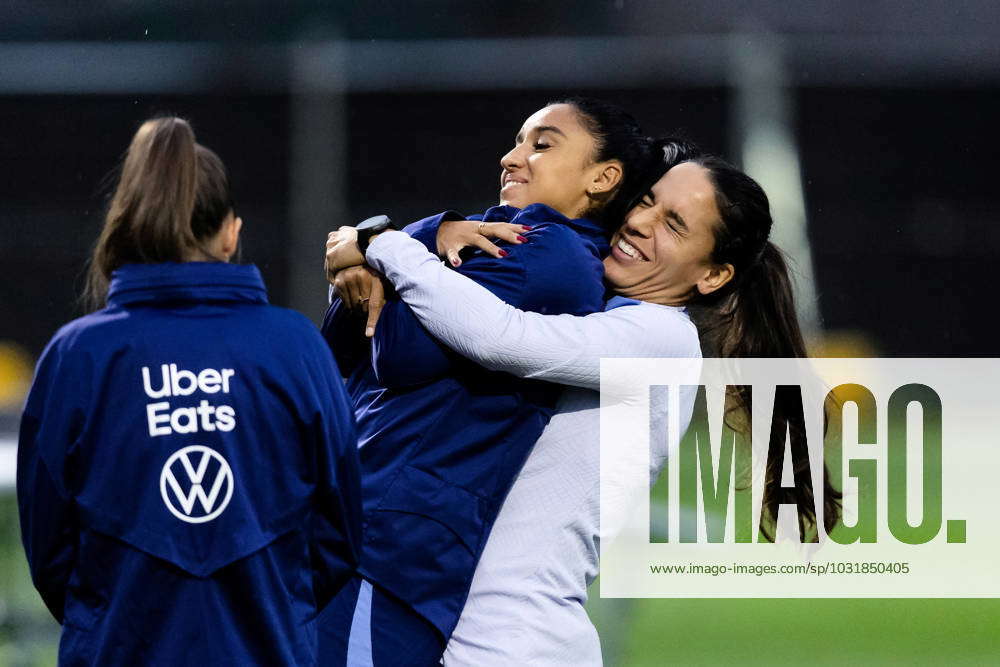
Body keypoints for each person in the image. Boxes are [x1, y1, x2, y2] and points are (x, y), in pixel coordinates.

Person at [326, 146, 841, 665]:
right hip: (464, 628)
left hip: (514, 643)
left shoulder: (660, 338)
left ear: (713, 276)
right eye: (646, 201)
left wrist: (385, 244)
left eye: (675, 225)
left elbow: (501, 337)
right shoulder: (601, 308)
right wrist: (399, 246)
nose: (640, 223)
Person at [318, 97, 653, 665]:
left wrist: (381, 246)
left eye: (542, 145)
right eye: (519, 141)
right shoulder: (492, 235)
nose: (512, 157)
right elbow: (342, 347)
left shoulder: (552, 256)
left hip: (391, 545)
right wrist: (384, 259)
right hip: (359, 524)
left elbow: (400, 354)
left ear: (604, 176)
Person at [17, 117, 363, 666]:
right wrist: (270, 608)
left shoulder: (77, 355)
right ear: (231, 233)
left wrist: (115, 615)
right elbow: (339, 535)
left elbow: (50, 553)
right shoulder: (295, 348)